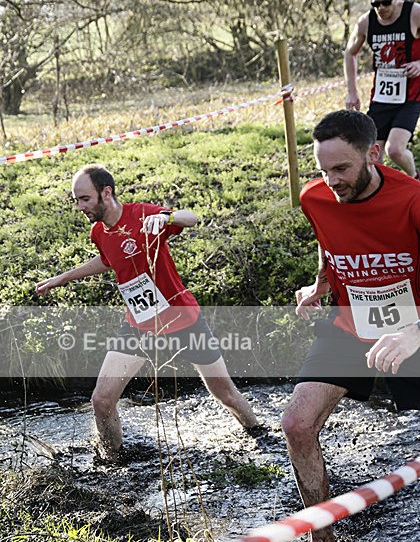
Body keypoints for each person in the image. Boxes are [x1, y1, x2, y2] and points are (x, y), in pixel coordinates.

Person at [36, 164, 261, 461]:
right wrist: (63, 278)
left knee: (225, 394)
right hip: (139, 325)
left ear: (106, 193)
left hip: (184, 321)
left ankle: (260, 435)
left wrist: (167, 217)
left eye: (85, 199)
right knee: (101, 401)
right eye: (77, 200)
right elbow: (108, 259)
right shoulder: (98, 232)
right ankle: (112, 462)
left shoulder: (143, 214)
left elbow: (190, 218)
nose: (80, 207)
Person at [281, 110, 420, 542]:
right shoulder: (315, 197)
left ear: (374, 154)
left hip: (414, 330)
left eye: (341, 168)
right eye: (323, 170)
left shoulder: (413, 200)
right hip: (350, 326)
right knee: (297, 424)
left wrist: (414, 332)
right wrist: (321, 282)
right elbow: (329, 239)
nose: (332, 180)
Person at [344, 0, 420, 179]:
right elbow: (350, 53)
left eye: (386, 3)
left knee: (394, 149)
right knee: (372, 156)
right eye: (375, 4)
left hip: (411, 96)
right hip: (382, 96)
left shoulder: (415, 13)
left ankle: (415, 180)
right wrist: (352, 91)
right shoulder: (366, 22)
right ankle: (382, 192)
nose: (381, 8)